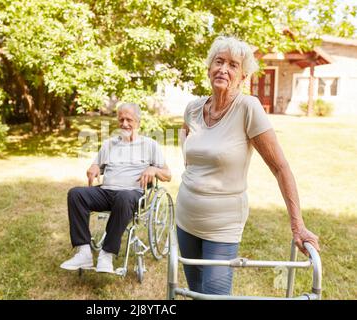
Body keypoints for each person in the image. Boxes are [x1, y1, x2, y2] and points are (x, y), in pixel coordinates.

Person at [176, 36, 320, 295]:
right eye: (218, 62)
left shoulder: (248, 108)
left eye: (233, 65)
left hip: (222, 223)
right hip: (185, 217)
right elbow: (185, 139)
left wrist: (298, 225)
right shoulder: (193, 108)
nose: (223, 69)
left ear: (243, 76)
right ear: (209, 68)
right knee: (195, 291)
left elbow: (280, 167)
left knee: (215, 295)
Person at [61, 102, 171, 273]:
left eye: (129, 119)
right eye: (121, 119)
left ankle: (106, 254)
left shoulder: (150, 145)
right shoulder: (109, 144)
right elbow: (97, 166)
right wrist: (94, 167)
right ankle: (83, 252)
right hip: (106, 191)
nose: (124, 124)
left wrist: (154, 169)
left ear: (138, 121)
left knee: (124, 197)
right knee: (76, 194)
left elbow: (168, 174)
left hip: (132, 194)